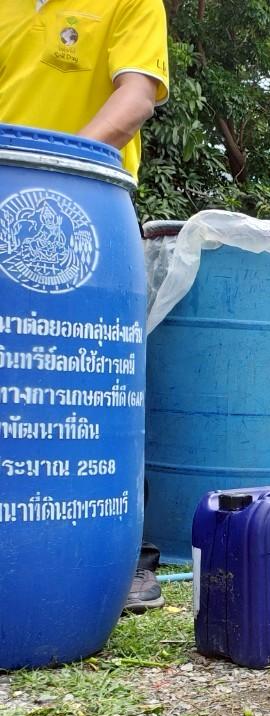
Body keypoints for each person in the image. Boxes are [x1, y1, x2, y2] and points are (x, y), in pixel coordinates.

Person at [0, 0, 170, 613]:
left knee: (92, 385)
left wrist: (49, 169)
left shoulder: (128, 3)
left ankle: (124, 558)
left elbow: (135, 100)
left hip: (82, 200)